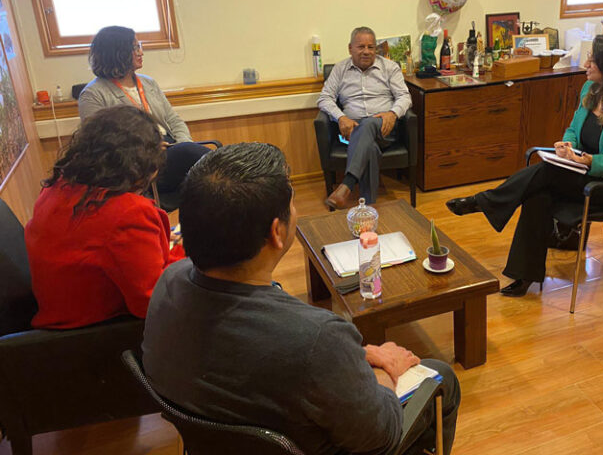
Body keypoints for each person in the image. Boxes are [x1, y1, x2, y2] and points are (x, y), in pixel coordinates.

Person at [142, 143, 460, 455]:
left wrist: (355, 358)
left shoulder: (169, 282)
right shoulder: (318, 338)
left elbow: (288, 359)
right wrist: (384, 369)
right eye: (293, 205)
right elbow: (382, 436)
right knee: (441, 375)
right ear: (276, 232)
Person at [446, 33, 603, 297]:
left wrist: (594, 161)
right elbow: (573, 129)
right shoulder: (591, 90)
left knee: (545, 174)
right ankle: (524, 276)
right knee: (539, 192)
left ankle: (485, 202)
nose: (587, 63)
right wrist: (567, 145)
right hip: (581, 174)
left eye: (595, 59)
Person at [25, 106, 183, 329]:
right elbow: (151, 303)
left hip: (59, 324)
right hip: (100, 336)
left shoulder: (57, 189)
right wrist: (192, 252)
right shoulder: (128, 213)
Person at [78, 26, 210, 197]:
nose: (141, 52)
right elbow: (100, 144)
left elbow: (174, 120)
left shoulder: (149, 83)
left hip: (171, 149)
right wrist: (150, 147)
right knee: (198, 159)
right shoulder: (93, 94)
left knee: (193, 156)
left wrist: (183, 142)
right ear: (116, 52)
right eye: (135, 47)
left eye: (139, 46)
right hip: (138, 163)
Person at [317, 26, 412, 209]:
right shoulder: (340, 69)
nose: (367, 51)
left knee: (368, 124)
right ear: (350, 48)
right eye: (361, 47)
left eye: (371, 47)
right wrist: (341, 117)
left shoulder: (389, 67)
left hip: (385, 129)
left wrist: (393, 114)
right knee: (370, 147)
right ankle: (368, 207)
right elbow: (324, 98)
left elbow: (404, 96)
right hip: (350, 131)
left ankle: (347, 185)